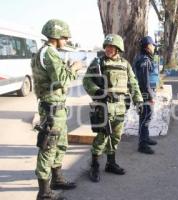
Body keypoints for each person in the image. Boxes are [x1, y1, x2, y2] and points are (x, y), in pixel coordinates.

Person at [31, 19, 83, 200]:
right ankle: (44, 193)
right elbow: (62, 80)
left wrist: (68, 68)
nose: (67, 40)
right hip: (52, 108)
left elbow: (55, 77)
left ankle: (57, 179)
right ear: (56, 35)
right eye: (65, 37)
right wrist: (75, 68)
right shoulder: (49, 53)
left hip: (57, 108)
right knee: (48, 147)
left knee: (60, 144)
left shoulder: (48, 52)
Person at [83, 34, 143, 182]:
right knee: (102, 137)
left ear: (118, 49)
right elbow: (87, 80)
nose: (109, 49)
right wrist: (97, 91)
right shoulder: (98, 62)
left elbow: (133, 83)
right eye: (107, 46)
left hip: (121, 106)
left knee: (116, 136)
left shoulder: (125, 64)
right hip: (104, 106)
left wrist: (139, 101)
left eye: (112, 47)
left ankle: (110, 163)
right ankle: (94, 165)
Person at [133, 36, 158, 155]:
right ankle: (142, 144)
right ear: (148, 46)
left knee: (145, 117)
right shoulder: (144, 60)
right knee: (146, 117)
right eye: (153, 45)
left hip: (145, 93)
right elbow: (144, 81)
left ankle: (146, 138)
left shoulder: (144, 58)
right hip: (145, 94)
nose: (154, 47)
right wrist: (150, 96)